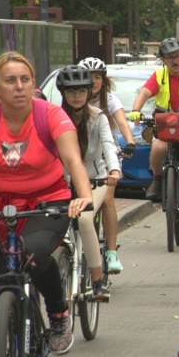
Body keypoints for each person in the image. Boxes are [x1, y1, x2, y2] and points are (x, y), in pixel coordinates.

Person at [0, 51, 94, 355]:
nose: (19, 86)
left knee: (33, 254)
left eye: (25, 80)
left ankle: (58, 313)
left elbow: (72, 159)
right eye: (10, 81)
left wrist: (84, 195)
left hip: (46, 203)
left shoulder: (49, 114)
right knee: (1, 278)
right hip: (0, 206)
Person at [129, 37, 179, 233]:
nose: (174, 61)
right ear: (163, 60)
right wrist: (136, 110)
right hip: (164, 127)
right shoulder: (159, 76)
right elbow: (144, 93)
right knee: (157, 149)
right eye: (169, 57)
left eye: (178, 56)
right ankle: (157, 179)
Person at [57, 66, 121, 302]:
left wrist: (114, 170)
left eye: (81, 90)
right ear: (63, 92)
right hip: (63, 183)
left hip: (97, 179)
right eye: (71, 91)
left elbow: (108, 145)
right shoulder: (55, 116)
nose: (76, 96)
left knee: (84, 218)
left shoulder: (99, 116)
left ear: (88, 92)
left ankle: (97, 282)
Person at [78, 57, 135, 273]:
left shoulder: (110, 100)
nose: (93, 82)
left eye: (97, 77)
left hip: (106, 158)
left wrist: (129, 142)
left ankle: (111, 252)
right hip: (81, 160)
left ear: (103, 80)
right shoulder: (71, 100)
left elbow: (122, 123)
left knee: (108, 199)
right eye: (88, 77)